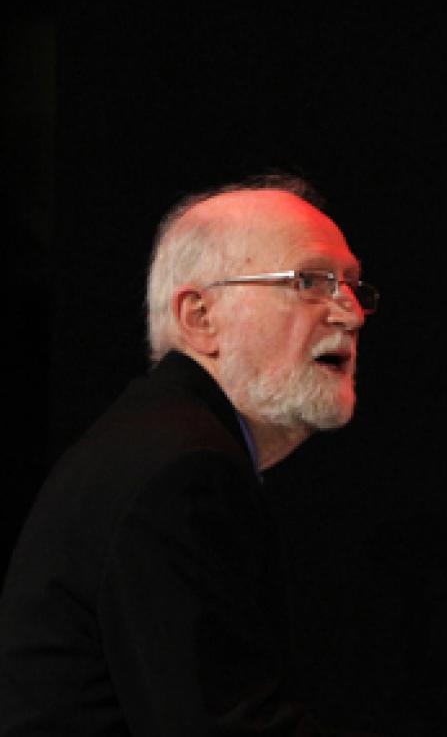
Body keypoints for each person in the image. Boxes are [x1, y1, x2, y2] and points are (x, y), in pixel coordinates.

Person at [0, 175, 383, 734]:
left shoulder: (161, 440)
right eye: (311, 282)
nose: (351, 314)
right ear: (200, 319)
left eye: (351, 286)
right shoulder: (183, 471)